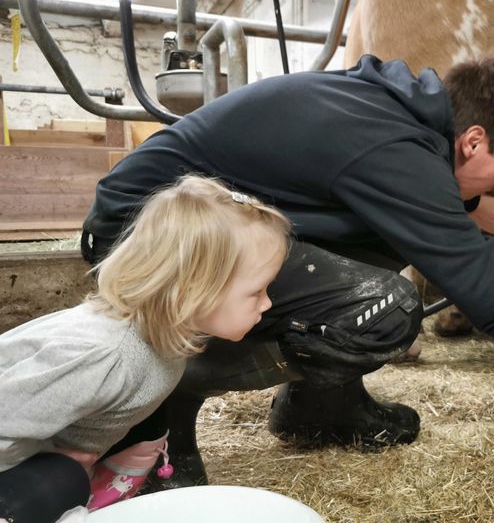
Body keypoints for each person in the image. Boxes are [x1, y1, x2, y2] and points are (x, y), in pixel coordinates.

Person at [80, 54, 494, 489]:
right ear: (473, 140)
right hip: (147, 237)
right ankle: (174, 387)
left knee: (382, 250)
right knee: (384, 309)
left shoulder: (406, 125)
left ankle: (321, 409)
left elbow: (466, 206)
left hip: (198, 223)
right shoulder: (395, 149)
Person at [0, 176, 291, 523]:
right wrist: (54, 459)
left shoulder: (166, 333)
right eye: (256, 291)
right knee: (62, 480)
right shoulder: (102, 356)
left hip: (53, 446)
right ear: (192, 292)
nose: (267, 303)